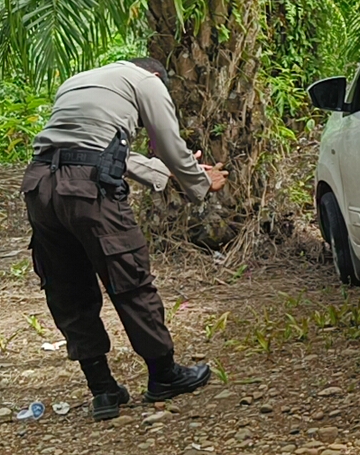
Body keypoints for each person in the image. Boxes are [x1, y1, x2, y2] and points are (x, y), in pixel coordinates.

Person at [21, 58, 228, 421]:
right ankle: (164, 375)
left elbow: (107, 153)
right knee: (129, 279)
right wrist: (198, 179)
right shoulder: (147, 82)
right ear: (156, 76)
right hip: (89, 189)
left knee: (66, 288)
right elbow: (169, 145)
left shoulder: (79, 80)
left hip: (39, 185)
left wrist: (176, 174)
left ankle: (103, 391)